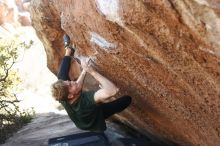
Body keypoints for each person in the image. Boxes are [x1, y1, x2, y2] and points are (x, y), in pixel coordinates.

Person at [51, 34, 132, 132]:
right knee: (126, 99)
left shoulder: (63, 95)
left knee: (62, 77)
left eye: (69, 82)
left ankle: (68, 50)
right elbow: (113, 91)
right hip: (93, 121)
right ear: (70, 96)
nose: (72, 82)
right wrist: (91, 71)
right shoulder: (85, 103)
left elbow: (75, 86)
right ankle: (100, 104)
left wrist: (84, 71)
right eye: (70, 85)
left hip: (80, 120)